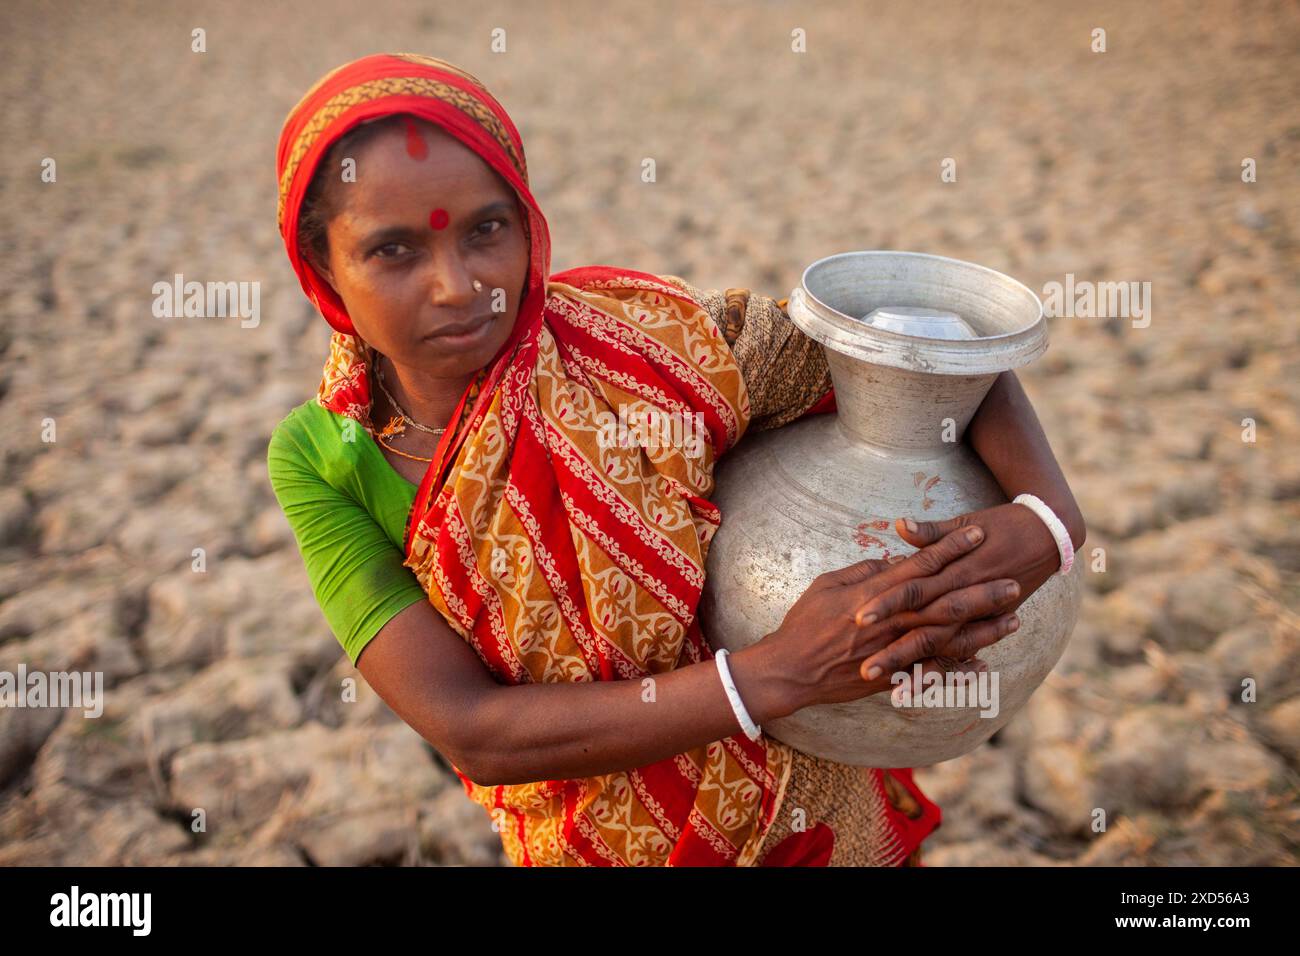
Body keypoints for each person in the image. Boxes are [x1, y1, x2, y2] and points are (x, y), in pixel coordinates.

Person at [267, 53, 1086, 866]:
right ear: (323, 270)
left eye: (487, 230)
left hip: (811, 821)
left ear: (526, 223)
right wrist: (777, 677)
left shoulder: (645, 342)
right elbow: (475, 731)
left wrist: (1048, 520)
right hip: (591, 844)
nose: (457, 287)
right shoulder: (325, 458)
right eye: (393, 252)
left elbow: (921, 350)